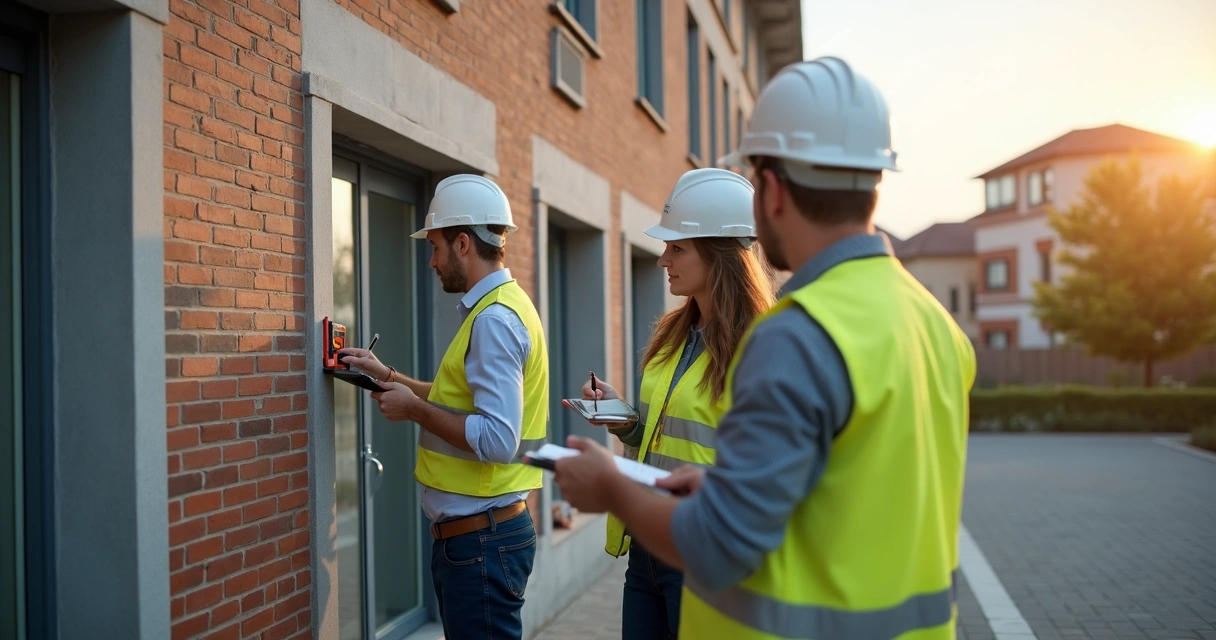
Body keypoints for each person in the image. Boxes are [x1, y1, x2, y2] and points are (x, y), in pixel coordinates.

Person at [552, 56, 977, 640]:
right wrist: (722, 486)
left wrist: (610, 489)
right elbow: (850, 493)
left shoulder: (796, 337)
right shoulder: (937, 324)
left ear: (772, 191)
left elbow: (720, 546)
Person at [337, 174, 548, 640]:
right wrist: (387, 376)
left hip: (481, 543)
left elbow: (496, 439)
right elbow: (457, 400)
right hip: (482, 538)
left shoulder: (493, 320)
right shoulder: (501, 306)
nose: (431, 261)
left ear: (463, 242)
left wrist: (412, 410)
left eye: (435, 247)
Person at [577, 168, 774, 639]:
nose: (663, 259)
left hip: (706, 555)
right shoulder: (673, 332)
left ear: (721, 254)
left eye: (677, 248)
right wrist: (623, 416)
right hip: (646, 547)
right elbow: (659, 435)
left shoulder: (762, 346)